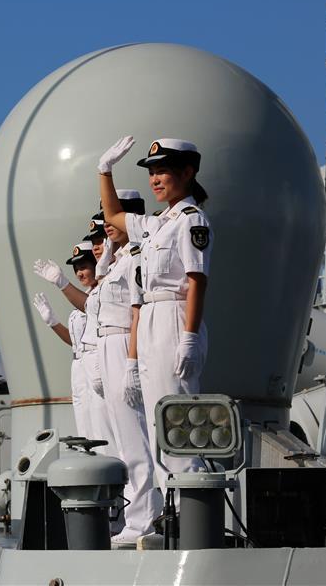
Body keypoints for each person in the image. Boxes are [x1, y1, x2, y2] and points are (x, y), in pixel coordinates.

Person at [96, 136, 213, 489]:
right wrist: (104, 171)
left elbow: (196, 281)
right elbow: (114, 215)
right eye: (152, 173)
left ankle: (190, 507)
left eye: (163, 171)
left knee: (176, 418)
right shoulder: (157, 222)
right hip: (149, 318)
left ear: (187, 172)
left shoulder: (192, 220)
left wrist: (189, 337)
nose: (155, 179)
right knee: (155, 423)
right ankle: (171, 511)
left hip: (174, 318)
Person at [92, 189, 164, 544]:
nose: (107, 224)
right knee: (122, 440)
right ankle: (134, 515)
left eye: (113, 216)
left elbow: (136, 312)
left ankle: (144, 519)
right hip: (108, 344)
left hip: (124, 343)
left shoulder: (137, 256)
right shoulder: (119, 258)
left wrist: (132, 362)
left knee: (136, 438)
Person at [32, 241, 100, 442]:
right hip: (79, 366)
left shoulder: (97, 297)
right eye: (76, 269)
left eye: (84, 267)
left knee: (101, 425)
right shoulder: (83, 298)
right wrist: (52, 322)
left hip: (96, 361)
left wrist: (61, 283)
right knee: (85, 426)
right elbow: (75, 342)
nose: (80, 273)